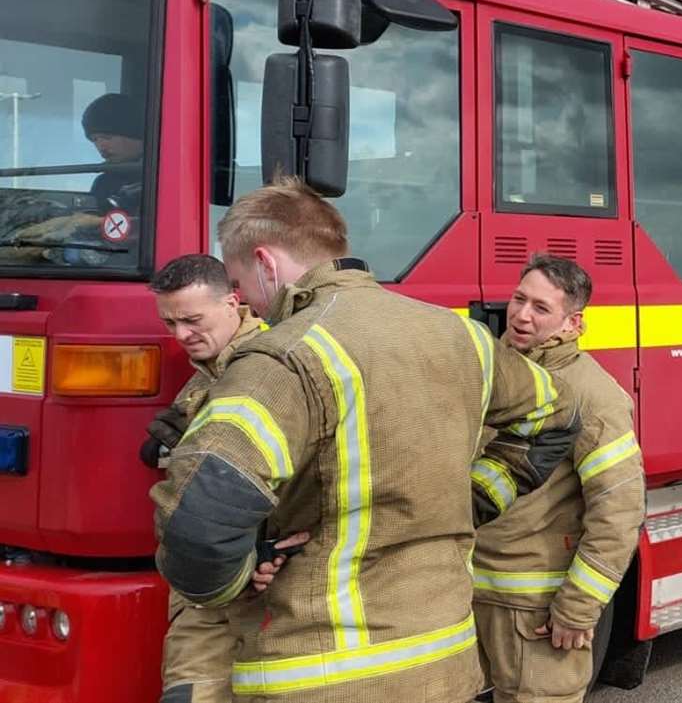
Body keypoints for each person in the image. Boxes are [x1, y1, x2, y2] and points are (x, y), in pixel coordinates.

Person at [150, 177, 580, 703]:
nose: (250, 305)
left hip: (319, 673)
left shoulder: (284, 357)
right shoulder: (463, 335)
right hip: (443, 664)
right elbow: (555, 413)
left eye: (241, 282)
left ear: (264, 262)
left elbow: (198, 526)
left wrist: (238, 578)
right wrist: (475, 498)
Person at [474, 255, 644, 703]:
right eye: (518, 299)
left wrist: (578, 608)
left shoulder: (592, 396)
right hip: (470, 594)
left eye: (541, 308)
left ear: (574, 324)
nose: (522, 315)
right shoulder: (493, 370)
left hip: (536, 613)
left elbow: (619, 512)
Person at [144, 254, 264, 703]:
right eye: (170, 323)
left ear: (233, 302)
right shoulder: (206, 376)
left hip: (251, 582)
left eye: (192, 320)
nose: (180, 336)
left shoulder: (268, 371)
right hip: (201, 579)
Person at [80, 92, 144, 211]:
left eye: (107, 137)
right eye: (94, 139)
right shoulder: (103, 183)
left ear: (135, 135)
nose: (100, 146)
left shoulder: (159, 176)